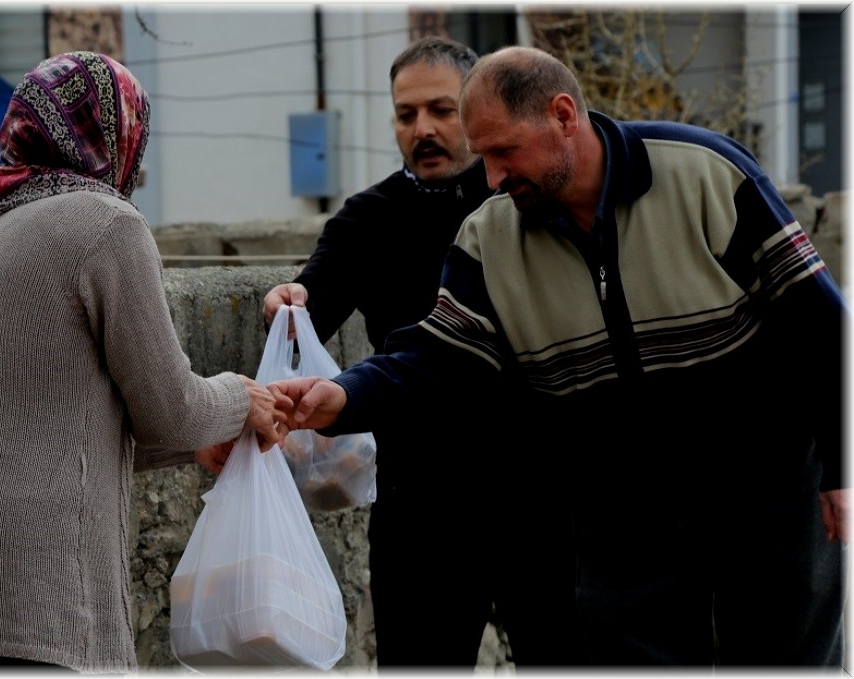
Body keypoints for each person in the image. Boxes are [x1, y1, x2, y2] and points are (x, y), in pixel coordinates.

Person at [269, 45, 847, 667]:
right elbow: (435, 356)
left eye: (503, 152)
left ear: (563, 114)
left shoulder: (705, 174)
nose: (490, 178)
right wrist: (346, 397)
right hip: (625, 520)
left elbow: (819, 325)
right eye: (483, 155)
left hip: (769, 495)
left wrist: (841, 467)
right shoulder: (489, 236)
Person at [0, 51, 286, 670]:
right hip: (38, 589)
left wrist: (194, 445)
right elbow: (174, 412)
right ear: (117, 134)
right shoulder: (105, 223)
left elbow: (46, 425)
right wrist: (242, 398)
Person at [261, 37, 584, 669]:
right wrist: (291, 303)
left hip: (542, 492)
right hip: (421, 503)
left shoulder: (526, 196)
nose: (423, 129)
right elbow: (315, 301)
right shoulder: (368, 218)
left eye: (440, 110)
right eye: (406, 115)